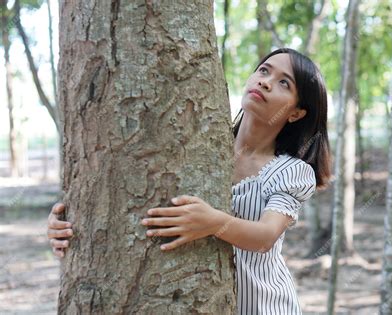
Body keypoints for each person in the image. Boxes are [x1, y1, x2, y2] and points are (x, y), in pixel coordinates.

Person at [47, 47, 331, 314]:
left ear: (296, 113)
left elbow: (265, 237)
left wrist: (214, 222)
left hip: (267, 306)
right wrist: (72, 221)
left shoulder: (290, 171)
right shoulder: (196, 146)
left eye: (285, 83)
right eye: (264, 71)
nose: (266, 82)